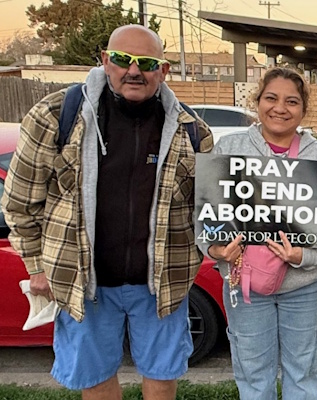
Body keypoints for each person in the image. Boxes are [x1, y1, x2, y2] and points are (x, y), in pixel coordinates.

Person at [1, 25, 212, 399]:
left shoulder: (192, 131)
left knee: (162, 376)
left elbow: (207, 210)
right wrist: (36, 266)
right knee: (95, 378)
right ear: (104, 60)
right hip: (85, 283)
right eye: (121, 59)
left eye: (146, 63)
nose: (134, 70)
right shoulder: (54, 116)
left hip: (161, 285)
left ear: (164, 70)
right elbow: (20, 202)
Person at [198, 67, 317, 400]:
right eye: (271, 98)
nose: (280, 108)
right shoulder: (229, 148)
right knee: (253, 377)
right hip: (244, 285)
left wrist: (304, 255)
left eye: (291, 101)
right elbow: (208, 214)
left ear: (303, 109)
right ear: (257, 101)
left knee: (304, 376)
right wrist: (216, 250)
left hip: (305, 287)